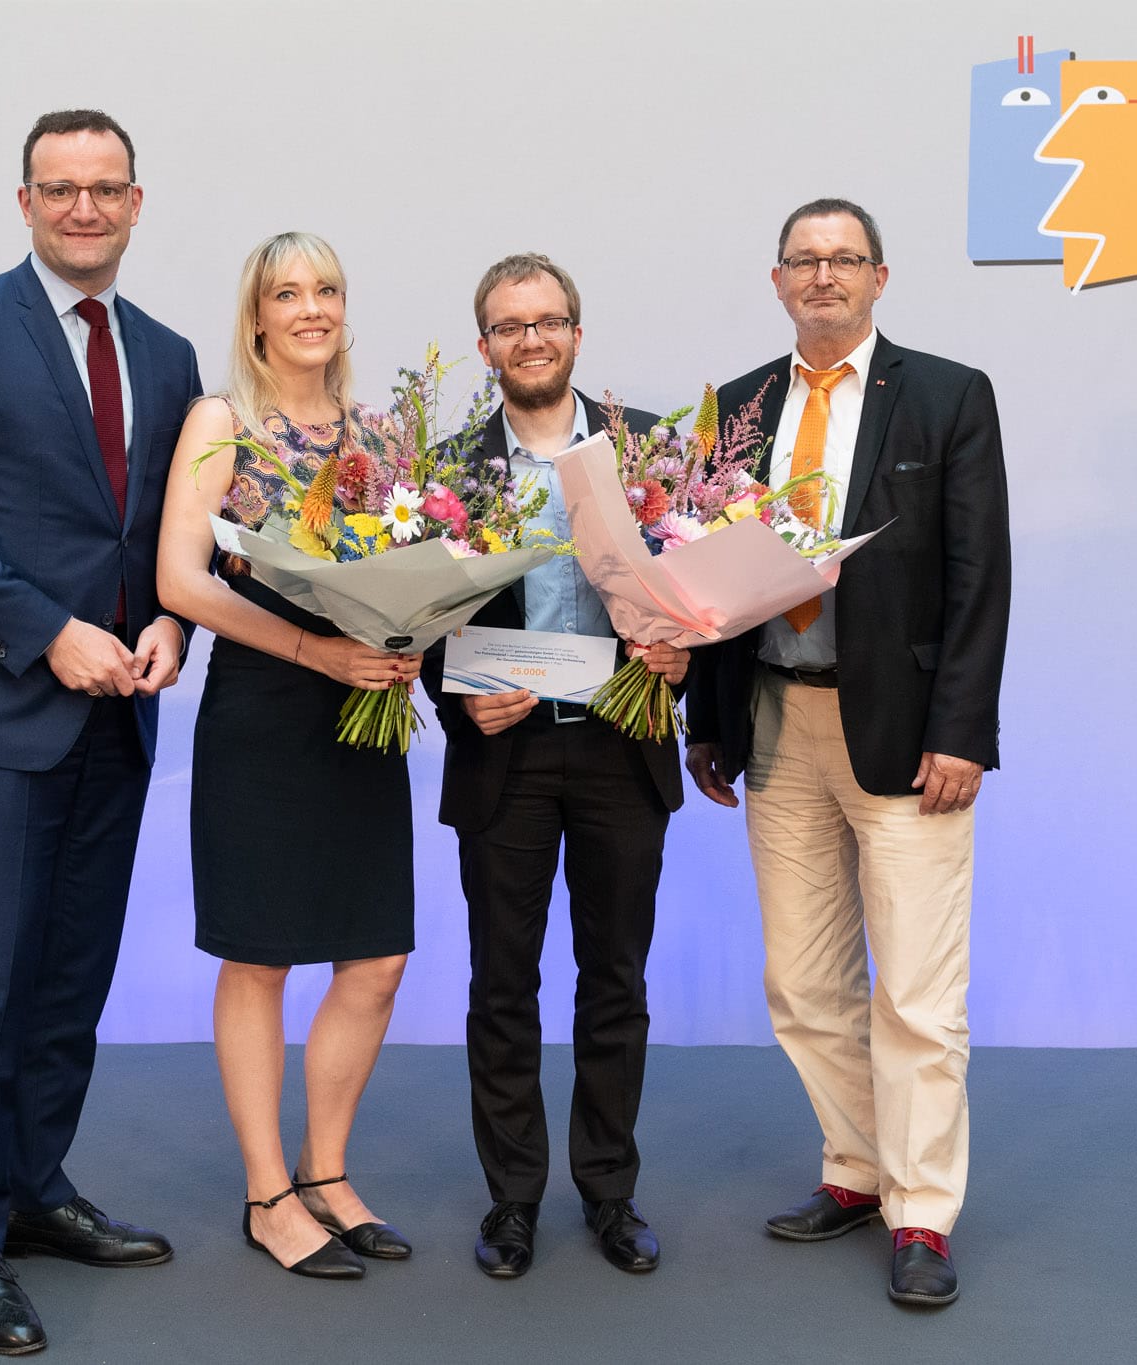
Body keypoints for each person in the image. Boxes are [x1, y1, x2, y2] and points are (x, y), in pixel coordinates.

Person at [0, 109, 202, 1355]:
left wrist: (174, 621)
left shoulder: (165, 356)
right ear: (23, 203)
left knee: (69, 982)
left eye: (102, 188)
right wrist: (48, 630)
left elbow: (170, 534)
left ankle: (32, 1192)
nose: (81, 208)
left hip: (120, 715)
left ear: (132, 202)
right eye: (57, 189)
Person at [684, 198, 1011, 1308]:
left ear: (880, 277)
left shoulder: (946, 395)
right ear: (776, 280)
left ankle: (921, 1213)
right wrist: (710, 722)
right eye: (803, 260)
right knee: (801, 983)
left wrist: (961, 732)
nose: (822, 276)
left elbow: (978, 578)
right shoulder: (735, 407)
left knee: (917, 994)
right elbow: (704, 576)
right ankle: (857, 1170)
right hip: (775, 721)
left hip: (906, 737)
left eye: (844, 259)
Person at [155, 231, 420, 1281]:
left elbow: (413, 560)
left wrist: (408, 630)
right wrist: (317, 646)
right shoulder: (222, 423)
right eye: (286, 292)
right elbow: (183, 579)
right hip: (265, 713)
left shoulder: (381, 433)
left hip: (361, 719)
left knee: (376, 956)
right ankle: (269, 1194)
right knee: (258, 952)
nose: (309, 307)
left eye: (327, 289)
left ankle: (327, 1174)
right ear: (256, 315)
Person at [419, 254, 686, 1279]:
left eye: (548, 320)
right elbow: (413, 622)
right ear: (483, 346)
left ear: (577, 334)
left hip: (621, 746)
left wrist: (684, 652)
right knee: (502, 985)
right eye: (508, 325)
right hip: (507, 758)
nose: (530, 338)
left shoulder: (653, 451)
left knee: (614, 980)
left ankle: (609, 1194)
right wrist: (457, 692)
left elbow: (702, 592)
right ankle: (513, 1201)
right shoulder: (446, 469)